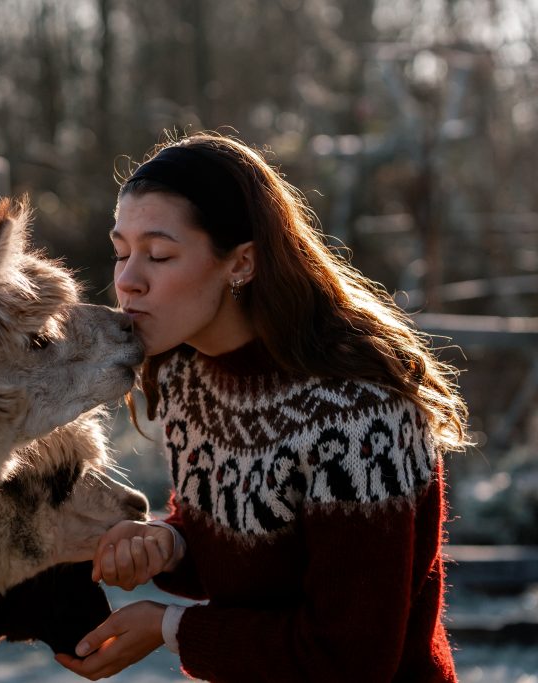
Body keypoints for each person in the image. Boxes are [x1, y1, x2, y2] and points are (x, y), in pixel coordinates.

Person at [54, 132, 469, 682]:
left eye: (159, 254)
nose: (128, 281)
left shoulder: (359, 415)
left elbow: (349, 659)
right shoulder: (187, 375)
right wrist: (169, 544)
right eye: (121, 253)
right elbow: (245, 555)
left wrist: (171, 627)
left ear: (241, 263)